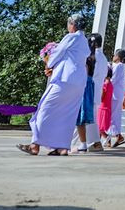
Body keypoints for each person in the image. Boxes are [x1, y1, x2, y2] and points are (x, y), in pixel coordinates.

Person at [17, 14, 90, 156]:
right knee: (67, 113)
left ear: (73, 25)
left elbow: (57, 54)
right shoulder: (84, 41)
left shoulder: (71, 37)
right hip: (79, 83)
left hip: (65, 80)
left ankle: (35, 145)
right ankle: (62, 147)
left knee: (44, 108)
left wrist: (49, 64)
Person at [73, 39, 96, 153]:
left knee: (79, 117)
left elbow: (83, 73)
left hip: (83, 86)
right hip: (89, 86)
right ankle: (82, 143)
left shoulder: (86, 59)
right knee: (80, 118)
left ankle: (83, 143)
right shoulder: (92, 58)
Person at [87, 33, 108, 152]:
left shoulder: (92, 57)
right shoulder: (104, 58)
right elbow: (105, 74)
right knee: (91, 118)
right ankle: (93, 142)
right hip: (97, 90)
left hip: (90, 89)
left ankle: (94, 143)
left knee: (88, 118)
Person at [106, 49, 125, 148]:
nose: (113, 56)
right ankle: (112, 138)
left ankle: (116, 136)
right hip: (117, 94)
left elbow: (113, 79)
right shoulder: (118, 66)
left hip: (114, 94)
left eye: (114, 55)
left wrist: (105, 86)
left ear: (118, 56)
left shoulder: (119, 66)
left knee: (112, 116)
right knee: (113, 116)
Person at [97, 66, 113, 142]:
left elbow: (102, 96)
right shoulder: (110, 84)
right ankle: (98, 142)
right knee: (100, 126)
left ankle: (106, 137)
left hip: (102, 107)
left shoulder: (105, 84)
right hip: (107, 107)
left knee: (99, 127)